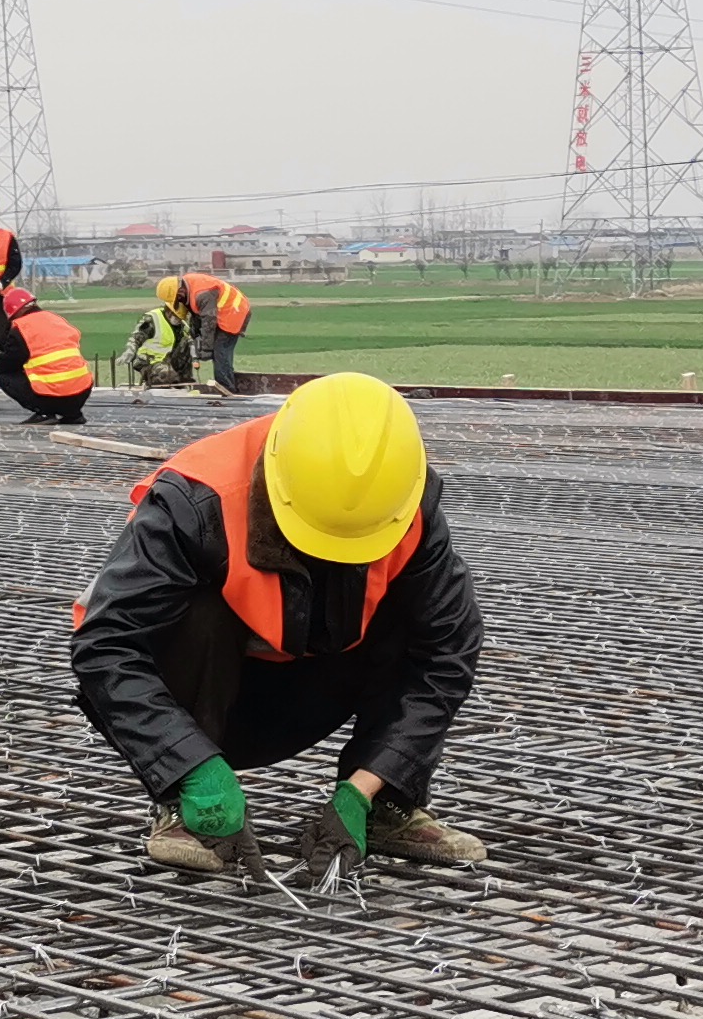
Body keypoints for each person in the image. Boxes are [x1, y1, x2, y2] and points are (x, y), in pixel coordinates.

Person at [68, 371, 488, 878]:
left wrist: (367, 785)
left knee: (424, 620)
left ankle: (385, 808)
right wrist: (186, 766)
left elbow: (446, 653)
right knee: (186, 613)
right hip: (211, 696)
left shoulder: (405, 500)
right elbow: (109, 645)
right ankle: (188, 805)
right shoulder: (196, 500)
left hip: (315, 684)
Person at [0, 282, 95, 421]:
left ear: (14, 313)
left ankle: (45, 412)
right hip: (82, 390)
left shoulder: (22, 327)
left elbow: (11, 360)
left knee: (6, 379)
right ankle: (73, 414)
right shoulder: (55, 318)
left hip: (52, 394)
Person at [142, 270, 255, 394]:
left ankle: (227, 389)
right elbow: (196, 313)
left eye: (178, 299)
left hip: (234, 312)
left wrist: (206, 349)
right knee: (218, 351)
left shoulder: (203, 294)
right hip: (221, 311)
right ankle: (225, 384)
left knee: (220, 353)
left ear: (181, 291)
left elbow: (208, 323)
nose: (179, 302)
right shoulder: (187, 285)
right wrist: (195, 334)